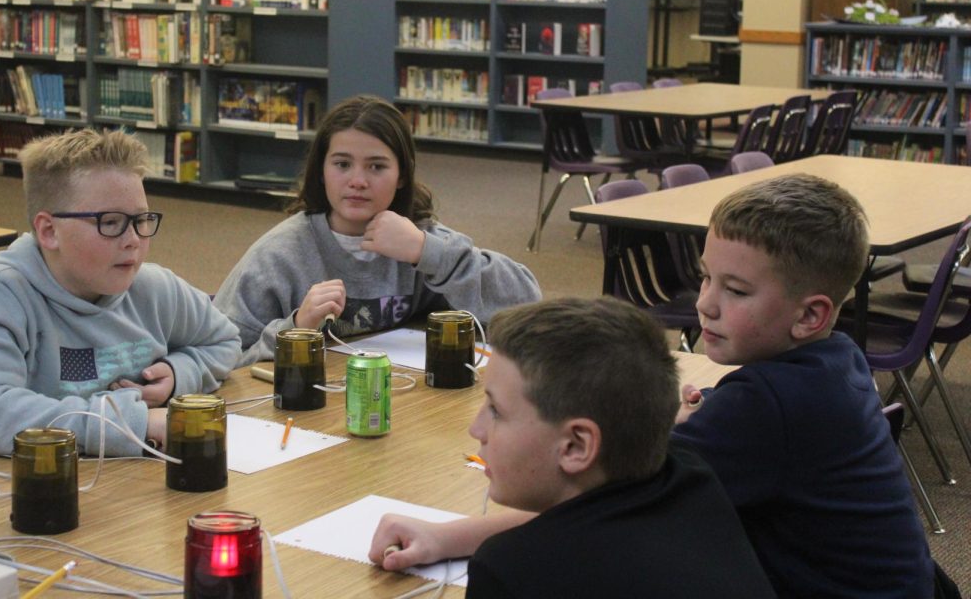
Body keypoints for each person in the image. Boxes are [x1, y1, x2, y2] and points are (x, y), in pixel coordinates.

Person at [369, 297, 775, 598]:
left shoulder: (516, 571)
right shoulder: (690, 476)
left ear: (577, 446)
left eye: (496, 410)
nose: (477, 429)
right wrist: (447, 537)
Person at [673, 173, 934, 598]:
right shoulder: (840, 356)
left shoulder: (766, 403)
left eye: (735, 290)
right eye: (705, 277)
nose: (704, 303)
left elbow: (630, 482)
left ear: (809, 316)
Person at [0, 129, 240, 457]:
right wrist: (132, 423)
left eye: (141, 220)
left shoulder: (153, 288)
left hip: (102, 480)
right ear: (49, 231)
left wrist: (178, 374)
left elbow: (223, 341)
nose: (133, 239)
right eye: (111, 222)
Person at [213, 94, 540, 364]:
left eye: (377, 166)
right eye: (342, 164)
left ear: (401, 175)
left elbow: (525, 302)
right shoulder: (279, 254)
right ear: (321, 171)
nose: (357, 181)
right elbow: (214, 355)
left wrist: (425, 251)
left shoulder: (415, 237)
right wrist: (296, 329)